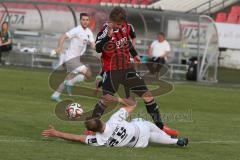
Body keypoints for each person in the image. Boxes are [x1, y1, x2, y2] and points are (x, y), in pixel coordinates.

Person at [91, 7, 178, 137]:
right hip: (111, 71)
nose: (120, 27)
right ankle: (91, 127)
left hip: (127, 68)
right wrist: (107, 38)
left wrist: (135, 55)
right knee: (106, 100)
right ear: (111, 20)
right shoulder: (104, 30)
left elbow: (127, 43)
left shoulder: (126, 26)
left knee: (148, 96)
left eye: (122, 24)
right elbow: (98, 49)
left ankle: (161, 127)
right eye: (118, 24)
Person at [42, 95, 188, 148]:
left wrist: (56, 133)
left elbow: (76, 138)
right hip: (140, 129)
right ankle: (173, 140)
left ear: (92, 132)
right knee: (143, 124)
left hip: (137, 145)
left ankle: (173, 140)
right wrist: (117, 99)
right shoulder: (114, 119)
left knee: (144, 130)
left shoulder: (98, 140)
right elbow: (132, 104)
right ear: (99, 120)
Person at [51, 13, 95, 102]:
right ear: (80, 20)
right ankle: (70, 82)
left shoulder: (89, 32)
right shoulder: (76, 30)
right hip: (70, 58)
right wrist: (59, 47)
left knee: (70, 77)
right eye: (83, 20)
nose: (85, 21)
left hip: (77, 59)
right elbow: (63, 36)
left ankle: (55, 95)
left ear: (89, 21)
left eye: (87, 20)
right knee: (89, 74)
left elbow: (93, 45)